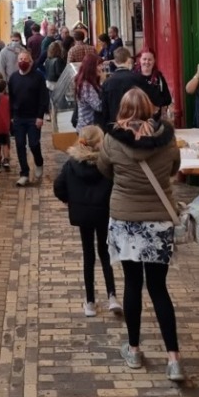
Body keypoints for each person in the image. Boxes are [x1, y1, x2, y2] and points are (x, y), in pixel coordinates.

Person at [97, 88, 185, 382]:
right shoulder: (167, 139)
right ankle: (174, 359)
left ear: (122, 110)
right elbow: (174, 168)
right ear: (150, 108)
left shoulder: (111, 140)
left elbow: (104, 170)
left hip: (126, 220)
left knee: (132, 284)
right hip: (159, 220)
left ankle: (134, 349)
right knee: (159, 288)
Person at [53, 125, 122, 318]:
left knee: (88, 255)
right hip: (103, 212)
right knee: (105, 253)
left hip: (82, 215)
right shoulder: (107, 165)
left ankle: (90, 301)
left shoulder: (71, 164)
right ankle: (112, 296)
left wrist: (69, 200)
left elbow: (58, 186)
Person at [8, 49, 50, 186]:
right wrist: (12, 116)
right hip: (19, 117)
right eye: (20, 60)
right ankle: (24, 173)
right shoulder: (13, 78)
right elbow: (11, 98)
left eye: (25, 60)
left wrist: (40, 116)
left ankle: (39, 162)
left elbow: (43, 98)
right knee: (20, 145)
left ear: (31, 62)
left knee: (34, 144)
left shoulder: (38, 77)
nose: (22, 62)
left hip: (33, 117)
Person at [100, 46, 146, 126]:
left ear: (115, 62)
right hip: (134, 123)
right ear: (129, 60)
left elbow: (104, 108)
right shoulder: (137, 79)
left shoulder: (107, 82)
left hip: (114, 124)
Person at [136, 47, 173, 115]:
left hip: (155, 118)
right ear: (140, 60)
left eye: (150, 60)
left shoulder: (159, 77)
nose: (147, 62)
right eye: (144, 59)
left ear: (154, 61)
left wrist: (158, 105)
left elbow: (167, 98)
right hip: (138, 116)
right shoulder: (133, 77)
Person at [74, 51, 103, 129]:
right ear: (91, 67)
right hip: (88, 128)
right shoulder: (86, 85)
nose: (101, 68)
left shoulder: (88, 82)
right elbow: (98, 106)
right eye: (99, 65)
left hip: (88, 126)